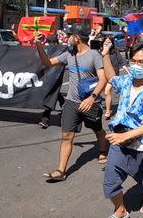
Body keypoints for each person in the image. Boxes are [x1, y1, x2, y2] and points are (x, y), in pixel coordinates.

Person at [36, 24, 109, 182]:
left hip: (91, 102)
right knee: (67, 136)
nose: (67, 37)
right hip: (71, 103)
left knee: (98, 130)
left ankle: (103, 149)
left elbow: (103, 79)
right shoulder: (68, 54)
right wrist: (39, 46)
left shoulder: (94, 55)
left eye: (70, 35)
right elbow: (48, 63)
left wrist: (92, 98)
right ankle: (61, 171)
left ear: (76, 38)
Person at [101, 41, 143, 218]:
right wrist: (105, 54)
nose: (135, 65)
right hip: (119, 142)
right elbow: (111, 77)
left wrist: (127, 135)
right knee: (110, 182)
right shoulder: (127, 81)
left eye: (141, 62)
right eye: (133, 61)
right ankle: (121, 210)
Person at [103, 35, 127, 120]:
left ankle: (108, 111)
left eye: (109, 42)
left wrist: (128, 72)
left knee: (107, 92)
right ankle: (108, 106)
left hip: (112, 76)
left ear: (112, 43)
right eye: (106, 42)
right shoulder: (100, 52)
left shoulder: (115, 52)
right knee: (105, 93)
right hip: (102, 75)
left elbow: (122, 63)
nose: (107, 43)